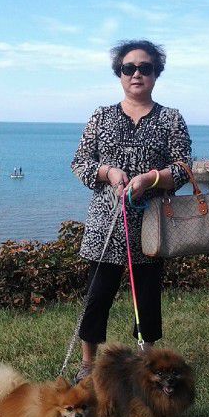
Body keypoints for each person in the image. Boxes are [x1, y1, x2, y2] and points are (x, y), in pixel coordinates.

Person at [70, 40, 192, 383]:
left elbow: (184, 168)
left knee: (147, 298)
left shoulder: (171, 119)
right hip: (105, 224)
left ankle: (145, 361)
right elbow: (80, 163)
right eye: (129, 68)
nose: (136, 74)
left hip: (151, 225)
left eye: (145, 68)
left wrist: (151, 179)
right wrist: (108, 172)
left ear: (156, 73)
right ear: (119, 74)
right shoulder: (101, 115)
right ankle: (88, 364)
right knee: (97, 296)